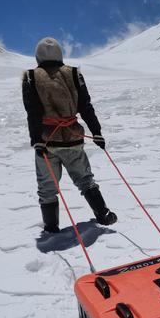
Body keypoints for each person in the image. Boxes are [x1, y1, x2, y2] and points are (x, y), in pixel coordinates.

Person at [22, 37, 117, 233]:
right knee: (85, 180)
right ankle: (103, 214)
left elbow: (33, 112)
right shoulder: (74, 74)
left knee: (47, 188)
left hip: (46, 142)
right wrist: (96, 132)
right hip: (73, 138)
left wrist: (36, 141)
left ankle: (51, 227)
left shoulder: (31, 77)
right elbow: (86, 107)